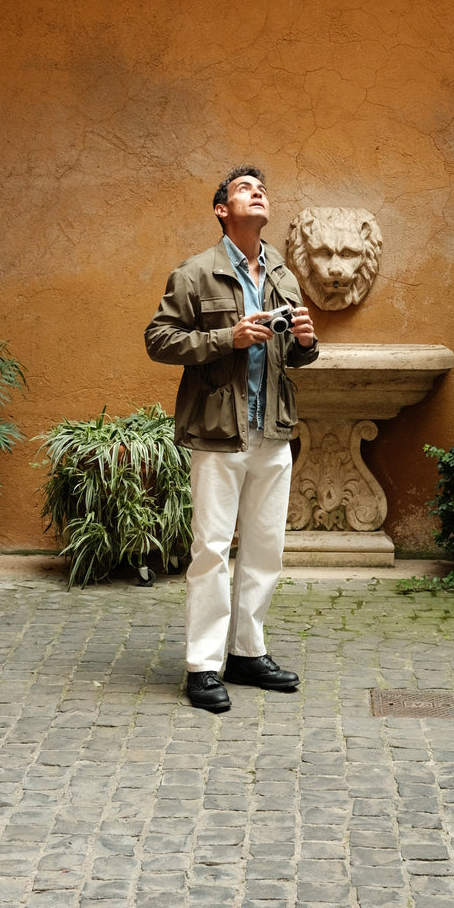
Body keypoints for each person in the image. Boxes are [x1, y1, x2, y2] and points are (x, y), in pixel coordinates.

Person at [144, 166, 319, 712]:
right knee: (212, 551)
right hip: (219, 433)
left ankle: (247, 653)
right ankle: (202, 666)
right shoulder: (195, 273)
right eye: (245, 188)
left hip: (273, 431)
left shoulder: (283, 275)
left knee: (265, 551)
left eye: (261, 188)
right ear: (222, 210)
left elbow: (293, 356)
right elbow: (158, 339)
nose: (257, 192)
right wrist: (228, 337)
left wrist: (306, 344)